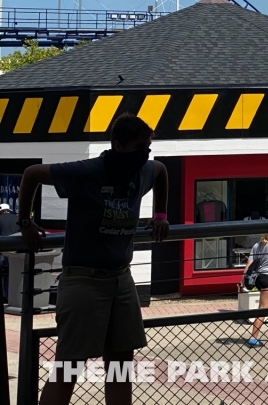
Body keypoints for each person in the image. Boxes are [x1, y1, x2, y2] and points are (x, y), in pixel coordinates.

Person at [17, 113, 168, 405]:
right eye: (139, 147)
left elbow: (161, 171)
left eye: (148, 147)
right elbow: (32, 173)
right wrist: (25, 222)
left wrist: (160, 215)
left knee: (121, 366)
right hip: (83, 280)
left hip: (122, 279)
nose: (145, 154)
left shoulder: (143, 170)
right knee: (69, 368)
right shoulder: (88, 171)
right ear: (118, 145)